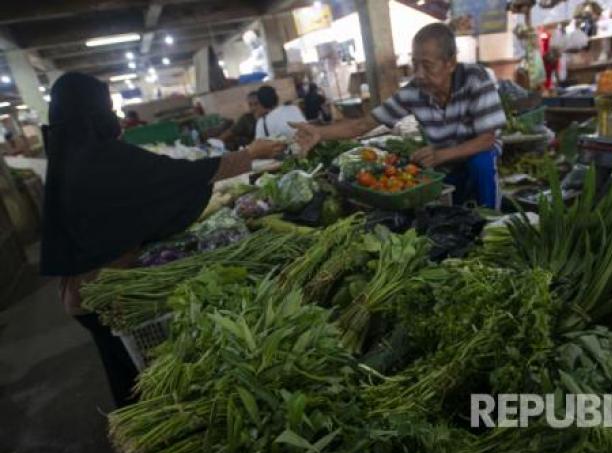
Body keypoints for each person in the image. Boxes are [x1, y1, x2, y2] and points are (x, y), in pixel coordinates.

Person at [39, 72, 286, 408]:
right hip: (104, 292)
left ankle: (130, 422)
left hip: (80, 291)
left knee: (121, 368)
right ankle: (144, 427)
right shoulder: (103, 159)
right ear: (91, 111)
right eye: (106, 107)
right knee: (138, 374)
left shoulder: (68, 155)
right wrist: (249, 154)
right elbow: (177, 178)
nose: (113, 116)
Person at [291, 23, 507, 208]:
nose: (419, 74)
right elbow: (362, 125)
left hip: (476, 152)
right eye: (415, 64)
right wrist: (319, 133)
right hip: (444, 160)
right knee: (454, 205)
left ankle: (492, 220)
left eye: (427, 65)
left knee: (480, 165)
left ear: (450, 63)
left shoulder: (475, 79)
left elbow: (487, 139)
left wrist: (441, 155)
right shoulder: (414, 92)